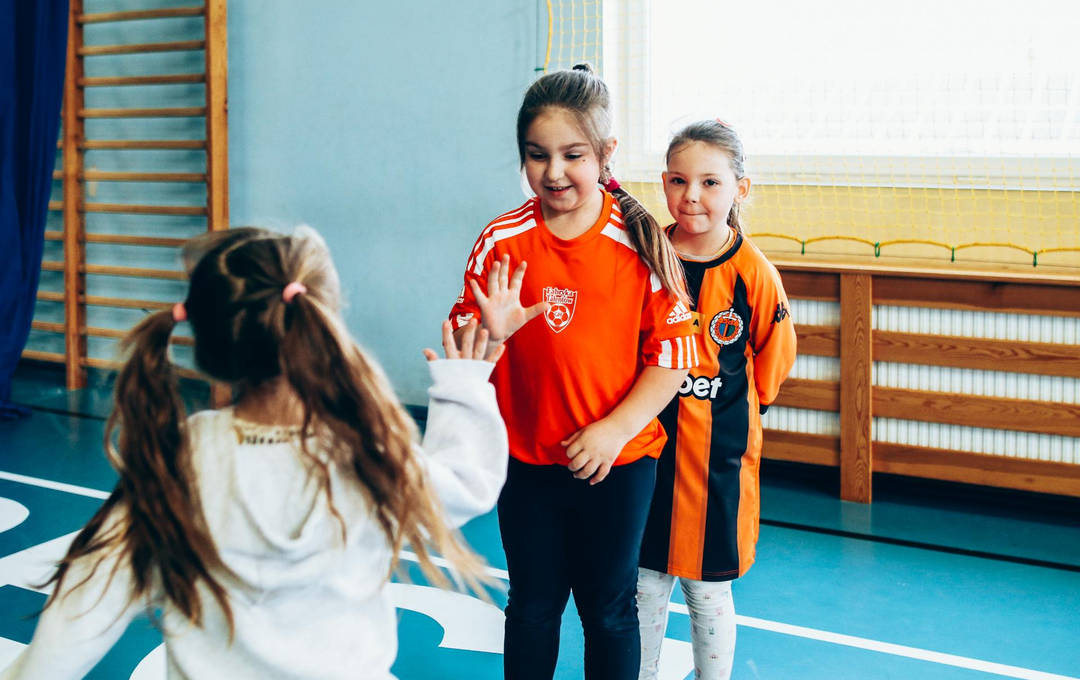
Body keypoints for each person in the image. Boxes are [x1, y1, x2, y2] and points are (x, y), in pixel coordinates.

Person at [1, 227, 509, 680]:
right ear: (321, 323)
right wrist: (465, 383)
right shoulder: (364, 456)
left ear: (212, 345)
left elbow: (86, 602)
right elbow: (468, 482)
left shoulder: (181, 459)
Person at [449, 64, 697, 680]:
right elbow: (464, 353)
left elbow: (672, 358)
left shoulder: (639, 243)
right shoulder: (501, 241)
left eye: (572, 155)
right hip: (526, 463)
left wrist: (614, 431)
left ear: (606, 153)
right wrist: (490, 336)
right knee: (532, 606)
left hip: (618, 464)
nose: (553, 172)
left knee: (609, 610)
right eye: (537, 155)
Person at [637, 119, 797, 680]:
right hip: (646, 453)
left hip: (717, 464)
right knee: (643, 585)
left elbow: (775, 356)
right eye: (679, 181)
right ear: (664, 183)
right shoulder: (645, 258)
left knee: (707, 592)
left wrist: (739, 411)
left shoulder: (753, 273)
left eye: (710, 182)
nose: (692, 196)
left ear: (739, 189)